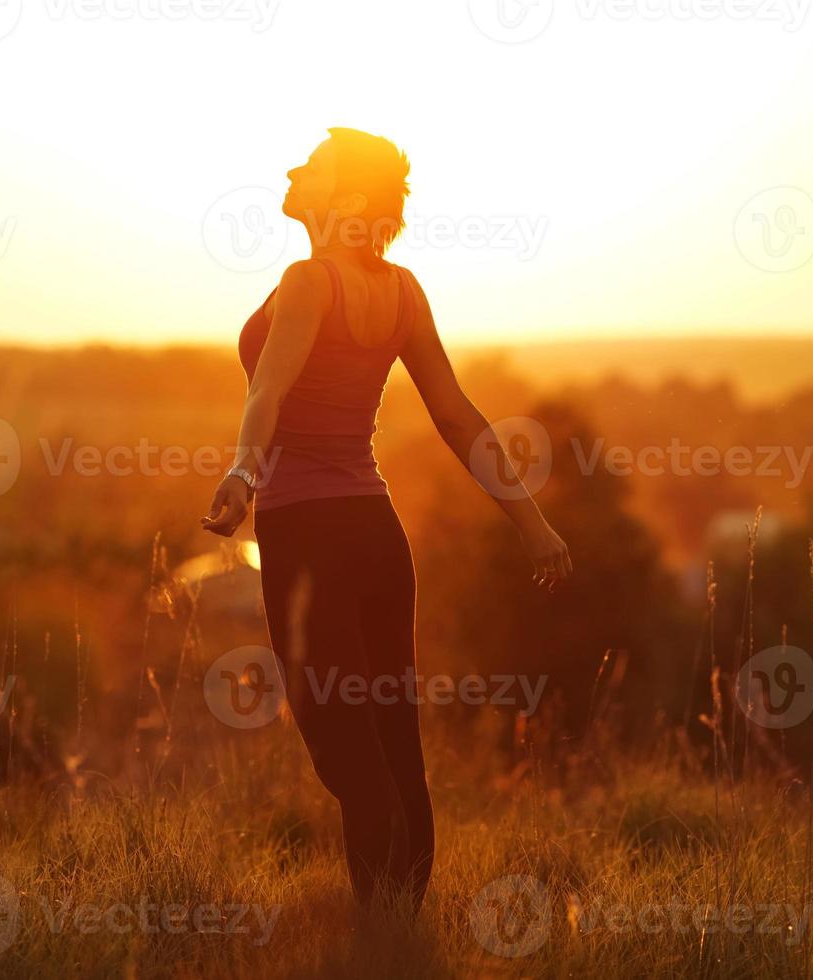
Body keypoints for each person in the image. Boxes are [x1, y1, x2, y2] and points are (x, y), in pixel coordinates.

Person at [202, 127, 572, 914]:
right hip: (376, 533)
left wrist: (240, 472)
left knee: (338, 737)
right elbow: (459, 416)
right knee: (391, 733)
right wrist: (530, 521)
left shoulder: (308, 281)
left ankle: (382, 926)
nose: (295, 167)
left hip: (308, 535)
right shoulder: (403, 290)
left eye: (316, 164)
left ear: (342, 198)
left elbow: (266, 391)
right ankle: (402, 924)